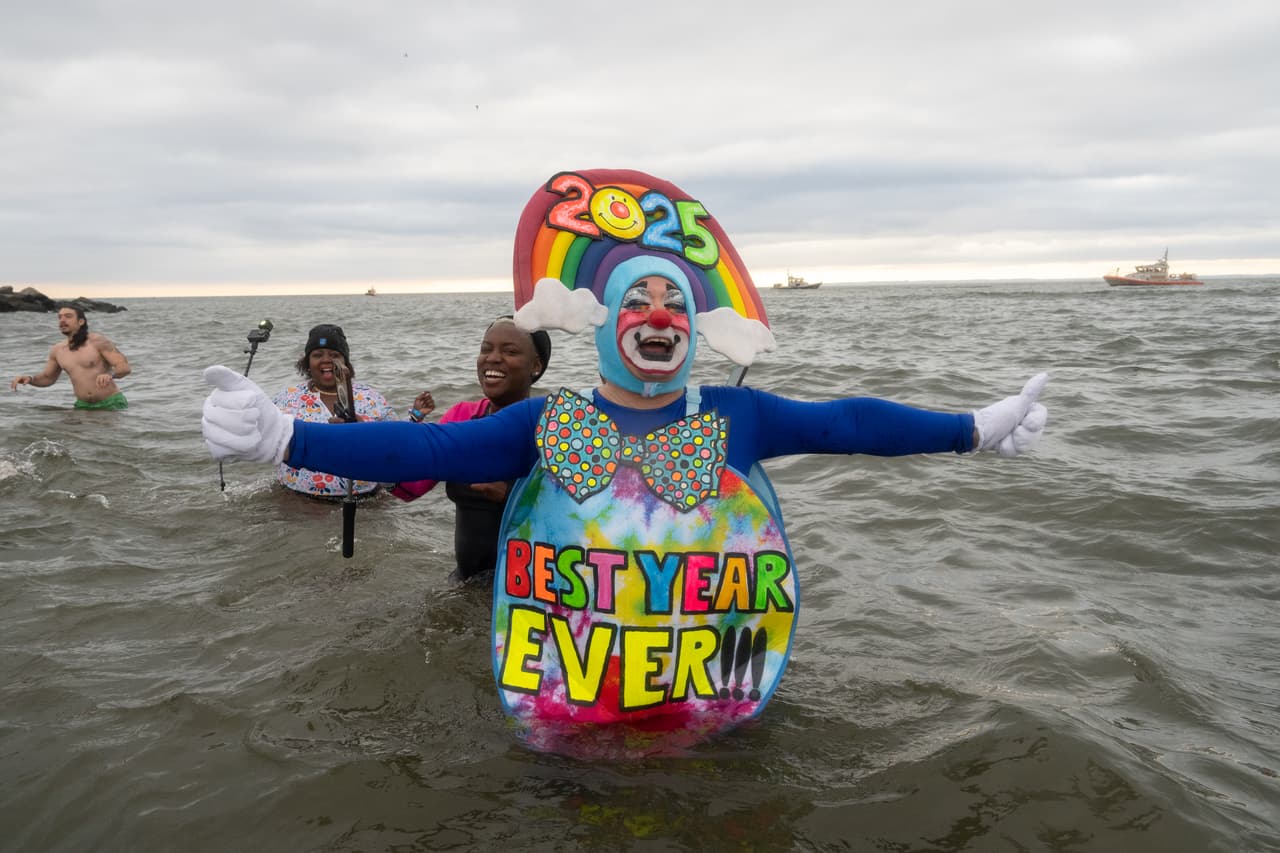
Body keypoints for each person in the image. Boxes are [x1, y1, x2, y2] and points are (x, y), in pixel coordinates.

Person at [201, 169, 1050, 755]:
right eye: (637, 300)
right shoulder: (548, 421)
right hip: (568, 700)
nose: (658, 314)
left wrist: (971, 428)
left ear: (696, 325)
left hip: (713, 691)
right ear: (603, 322)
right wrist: (287, 438)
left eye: (675, 301)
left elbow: (850, 423)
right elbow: (427, 446)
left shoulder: (733, 414)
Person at [391, 316, 552, 581]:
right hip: (465, 583)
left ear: (536, 365)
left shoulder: (553, 427)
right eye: (486, 349)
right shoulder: (462, 416)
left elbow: (578, 517)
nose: (493, 358)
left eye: (510, 351)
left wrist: (511, 496)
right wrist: (371, 458)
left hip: (528, 591)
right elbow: (413, 486)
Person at [271, 323, 396, 497]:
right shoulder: (285, 399)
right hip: (298, 501)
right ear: (307, 363)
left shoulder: (372, 398)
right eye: (317, 354)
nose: (326, 360)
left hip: (367, 501)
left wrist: (363, 429)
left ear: (346, 362)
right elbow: (265, 441)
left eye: (335, 355)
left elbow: (396, 446)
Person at [10, 305, 131, 409]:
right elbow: (48, 378)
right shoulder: (57, 350)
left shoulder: (98, 341)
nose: (62, 320)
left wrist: (111, 375)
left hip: (111, 404)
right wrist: (30, 379)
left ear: (81, 322)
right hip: (82, 406)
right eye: (60, 317)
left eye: (68, 316)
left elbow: (124, 367)